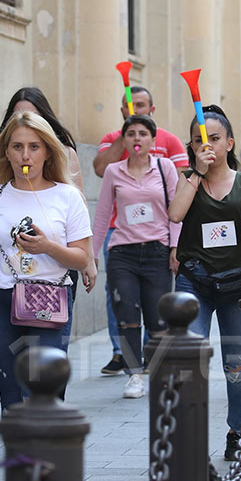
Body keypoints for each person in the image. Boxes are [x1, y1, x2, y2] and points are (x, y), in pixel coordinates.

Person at [0, 112, 92, 410]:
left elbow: (82, 258)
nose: (25, 155)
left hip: (48, 300)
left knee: (43, 393)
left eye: (34, 146)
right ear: (6, 152)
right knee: (11, 398)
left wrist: (48, 246)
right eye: (17, 147)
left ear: (47, 152)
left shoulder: (68, 197)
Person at [168, 106, 241, 460]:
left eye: (214, 138)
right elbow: (175, 215)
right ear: (191, 146)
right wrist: (196, 173)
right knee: (189, 360)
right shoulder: (187, 178)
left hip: (237, 283)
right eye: (198, 140)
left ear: (229, 142)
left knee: (236, 365)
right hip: (195, 281)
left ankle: (237, 430)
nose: (206, 145)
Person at [92, 86, 189, 376]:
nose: (137, 139)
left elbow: (177, 208)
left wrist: (176, 247)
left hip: (158, 248)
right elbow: (101, 214)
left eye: (143, 134)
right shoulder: (114, 170)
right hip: (122, 249)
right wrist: (91, 256)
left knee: (158, 316)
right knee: (126, 314)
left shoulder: (166, 167)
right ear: (124, 137)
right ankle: (133, 372)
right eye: (131, 134)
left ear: (152, 139)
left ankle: (155, 368)